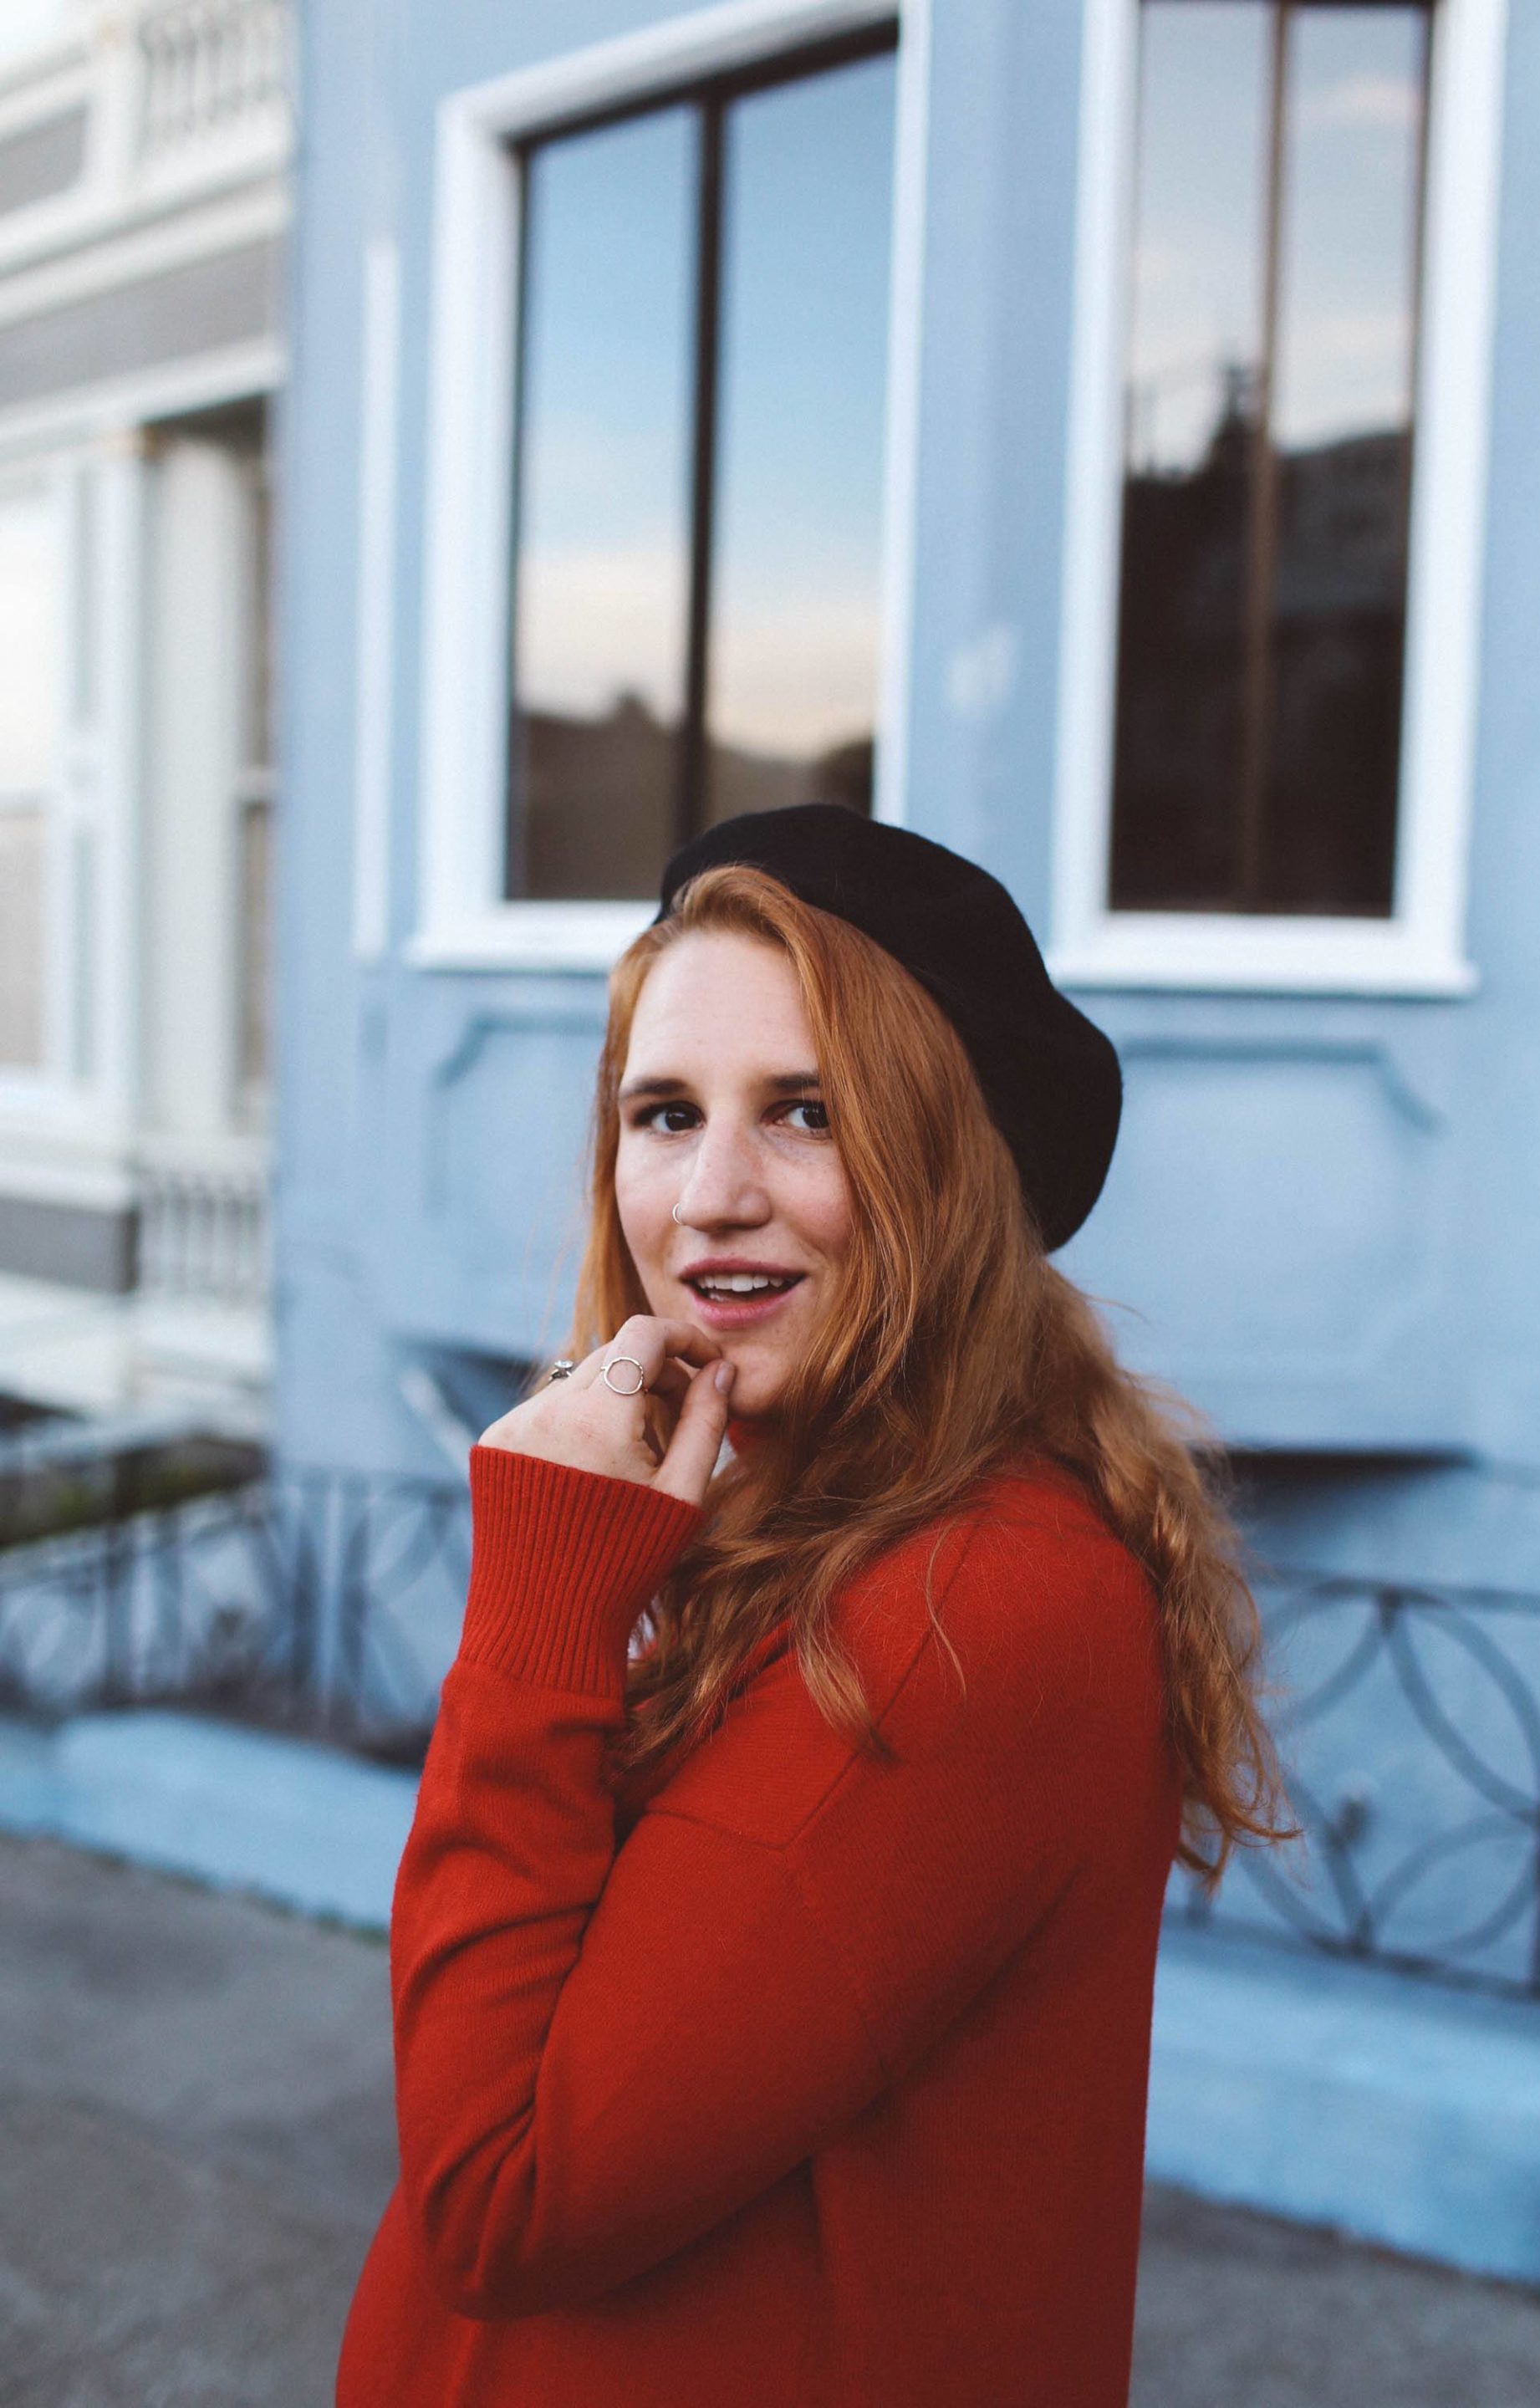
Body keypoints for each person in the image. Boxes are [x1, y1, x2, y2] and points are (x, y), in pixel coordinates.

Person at [336, 803, 1291, 2408]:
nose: (711, 1193)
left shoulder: (965, 1615)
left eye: (806, 1113)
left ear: (944, 1168)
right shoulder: (813, 1533)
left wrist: (539, 1616)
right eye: (662, 1113)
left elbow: (507, 2197)